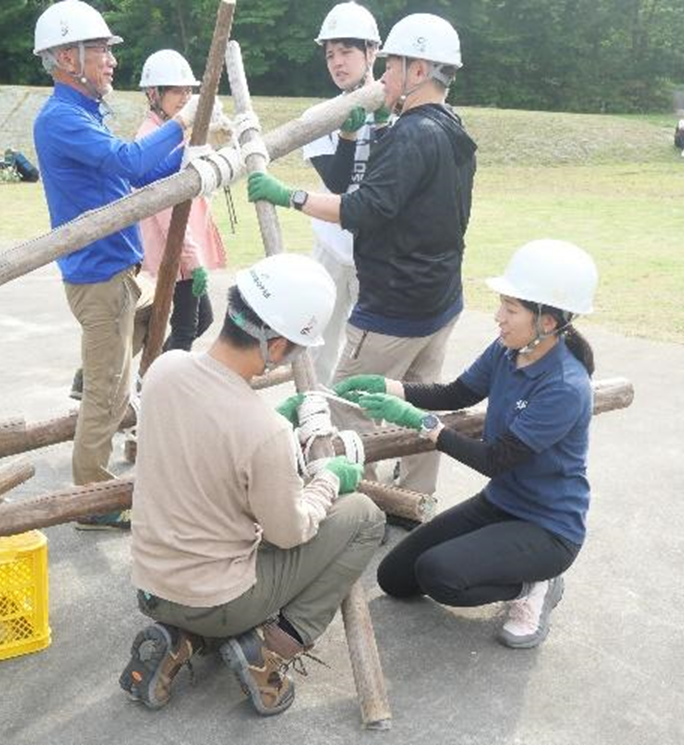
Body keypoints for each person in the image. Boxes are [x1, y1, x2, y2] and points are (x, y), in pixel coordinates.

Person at [121, 254, 383, 715]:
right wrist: (326, 479)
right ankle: (268, 650)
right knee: (364, 515)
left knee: (222, 562)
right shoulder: (265, 432)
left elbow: (203, 437)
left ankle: (181, 641)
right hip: (217, 601)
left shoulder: (165, 369)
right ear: (277, 346)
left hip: (150, 587)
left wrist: (273, 431)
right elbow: (289, 532)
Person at [246, 12, 475, 498]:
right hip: (440, 298)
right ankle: (414, 497)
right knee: (417, 401)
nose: (385, 75)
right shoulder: (451, 128)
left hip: (395, 306)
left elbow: (364, 208)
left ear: (418, 71)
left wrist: (289, 196)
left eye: (391, 65)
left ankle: (360, 505)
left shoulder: (412, 133)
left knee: (347, 404)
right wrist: (368, 130)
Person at [348, 240, 598, 649]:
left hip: (548, 527)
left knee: (439, 574)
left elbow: (495, 460)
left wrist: (424, 425)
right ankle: (514, 570)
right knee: (394, 577)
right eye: (502, 306)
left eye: (510, 310)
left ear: (547, 321)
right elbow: (456, 393)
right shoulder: (506, 350)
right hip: (500, 504)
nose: (498, 317)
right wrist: (387, 386)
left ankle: (533, 586)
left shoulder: (565, 387)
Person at [30, 0, 209, 527]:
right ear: (68, 58)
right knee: (107, 396)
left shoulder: (86, 113)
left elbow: (137, 176)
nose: (111, 61)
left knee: (148, 332)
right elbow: (130, 161)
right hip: (99, 277)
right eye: (101, 51)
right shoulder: (61, 119)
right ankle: (93, 499)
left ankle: (97, 371)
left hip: (119, 273)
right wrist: (182, 122)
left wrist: (192, 155)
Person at [301, 1, 385, 381]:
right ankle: (313, 409)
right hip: (332, 247)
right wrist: (348, 135)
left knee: (369, 348)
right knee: (316, 343)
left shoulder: (400, 112)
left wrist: (383, 123)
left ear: (372, 51)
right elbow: (337, 184)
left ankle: (359, 414)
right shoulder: (318, 117)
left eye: (346, 51)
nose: (337, 62)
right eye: (330, 54)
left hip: (378, 252)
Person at [133, 48, 228, 354]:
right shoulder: (150, 137)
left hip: (182, 253)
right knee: (187, 327)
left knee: (200, 321)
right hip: (176, 253)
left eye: (188, 91)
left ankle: (153, 373)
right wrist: (193, 262)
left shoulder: (174, 131)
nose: (185, 98)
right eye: (176, 91)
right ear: (153, 94)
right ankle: (157, 377)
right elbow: (166, 213)